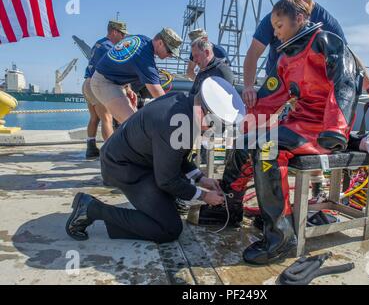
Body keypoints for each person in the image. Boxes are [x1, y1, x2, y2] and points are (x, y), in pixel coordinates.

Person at [194, 0, 363, 265]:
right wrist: (246, 127)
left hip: (322, 128)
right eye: (273, 26)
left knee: (266, 148)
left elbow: (345, 83)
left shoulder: (326, 42)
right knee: (246, 143)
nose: (275, 32)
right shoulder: (285, 58)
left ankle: (281, 237)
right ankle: (230, 205)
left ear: (299, 19)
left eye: (279, 24)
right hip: (297, 124)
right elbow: (271, 96)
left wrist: (336, 129)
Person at [242, 0, 369, 201]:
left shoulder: (326, 21)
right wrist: (248, 87)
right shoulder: (279, 15)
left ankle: (317, 190)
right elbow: (254, 52)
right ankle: (250, 194)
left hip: (312, 92)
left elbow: (348, 58)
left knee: (305, 132)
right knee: (256, 139)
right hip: (280, 87)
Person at [65, 79, 246, 243]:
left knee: (173, 202)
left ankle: (150, 207)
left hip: (135, 159)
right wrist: (204, 196)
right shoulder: (175, 125)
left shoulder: (183, 104)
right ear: (205, 114)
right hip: (124, 168)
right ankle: (92, 209)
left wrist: (201, 179)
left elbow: (178, 154)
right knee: (169, 229)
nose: (213, 131)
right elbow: (167, 180)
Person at [90, 28, 182, 133]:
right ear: (160, 43)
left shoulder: (141, 39)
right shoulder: (145, 59)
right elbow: (159, 96)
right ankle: (111, 149)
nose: (170, 55)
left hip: (112, 81)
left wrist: (127, 89)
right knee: (135, 126)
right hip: (104, 83)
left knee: (135, 122)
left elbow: (122, 63)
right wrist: (177, 115)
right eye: (170, 51)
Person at [82, 20, 127, 157]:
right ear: (114, 32)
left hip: (87, 83)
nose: (124, 37)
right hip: (97, 84)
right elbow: (118, 69)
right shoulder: (109, 47)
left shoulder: (98, 43)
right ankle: (111, 154)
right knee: (107, 118)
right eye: (122, 34)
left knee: (94, 117)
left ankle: (91, 147)